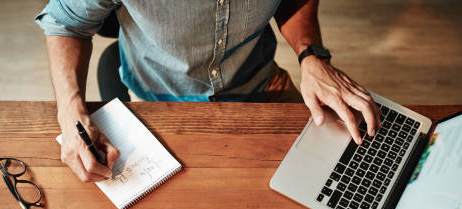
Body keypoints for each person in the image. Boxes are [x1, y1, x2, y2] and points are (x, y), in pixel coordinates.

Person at [35, 0, 380, 182]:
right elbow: (66, 21)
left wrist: (310, 55)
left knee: (340, 168)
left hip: (259, 82)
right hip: (157, 99)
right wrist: (68, 110)